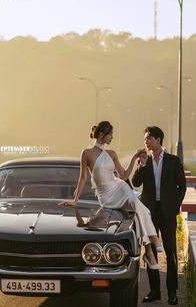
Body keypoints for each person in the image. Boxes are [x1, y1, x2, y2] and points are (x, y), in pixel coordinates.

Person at [60, 121, 163, 270]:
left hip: (119, 186)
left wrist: (134, 157)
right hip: (105, 195)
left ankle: (149, 246)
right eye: (110, 134)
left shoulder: (112, 154)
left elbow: (124, 175)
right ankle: (150, 244)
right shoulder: (86, 153)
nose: (112, 137)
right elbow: (83, 178)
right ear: (101, 135)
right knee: (141, 210)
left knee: (134, 205)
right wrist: (75, 199)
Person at [132, 126, 186, 305]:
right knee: (150, 253)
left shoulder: (172, 161)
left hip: (168, 212)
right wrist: (142, 165)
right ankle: (154, 291)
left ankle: (172, 292)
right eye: (145, 139)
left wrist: (174, 204)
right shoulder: (145, 161)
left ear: (158, 140)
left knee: (170, 252)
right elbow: (135, 182)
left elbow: (182, 186)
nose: (146, 142)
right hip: (149, 212)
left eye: (148, 138)